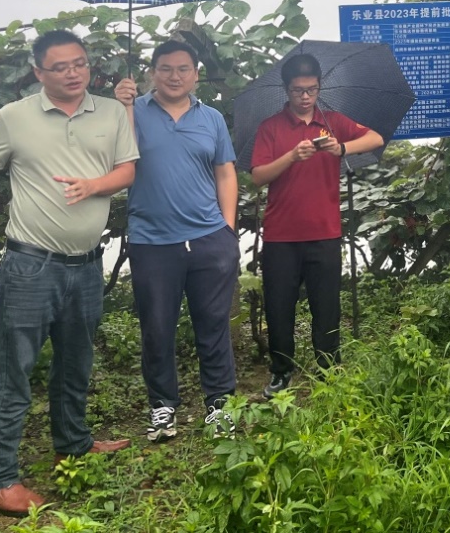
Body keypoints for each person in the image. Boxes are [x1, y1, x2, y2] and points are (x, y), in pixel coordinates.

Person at [0, 30, 138, 517]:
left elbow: (127, 171)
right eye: (60, 66)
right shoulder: (14, 116)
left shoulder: (112, 112)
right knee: (12, 370)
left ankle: (74, 444)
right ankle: (0, 479)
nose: (73, 73)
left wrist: (93, 185)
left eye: (80, 63)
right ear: (38, 72)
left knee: (76, 363)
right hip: (31, 265)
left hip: (86, 264)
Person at [118, 40, 240, 442]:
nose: (175, 76)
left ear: (196, 74)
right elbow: (116, 157)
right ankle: (162, 407)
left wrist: (227, 230)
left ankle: (219, 405)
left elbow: (225, 172)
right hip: (152, 241)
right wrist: (122, 107)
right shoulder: (132, 111)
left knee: (214, 325)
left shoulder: (212, 118)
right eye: (166, 68)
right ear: (152, 72)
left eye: (183, 69)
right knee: (156, 328)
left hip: (209, 238)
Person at [250, 53, 384, 396]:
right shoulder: (270, 127)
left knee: (327, 306)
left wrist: (341, 148)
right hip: (281, 235)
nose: (305, 96)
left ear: (319, 87)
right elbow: (258, 176)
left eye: (311, 89)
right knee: (279, 307)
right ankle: (281, 371)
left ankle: (329, 369)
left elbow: (375, 138)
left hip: (325, 232)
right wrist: (291, 156)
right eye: (298, 90)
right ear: (286, 90)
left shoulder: (331, 121)